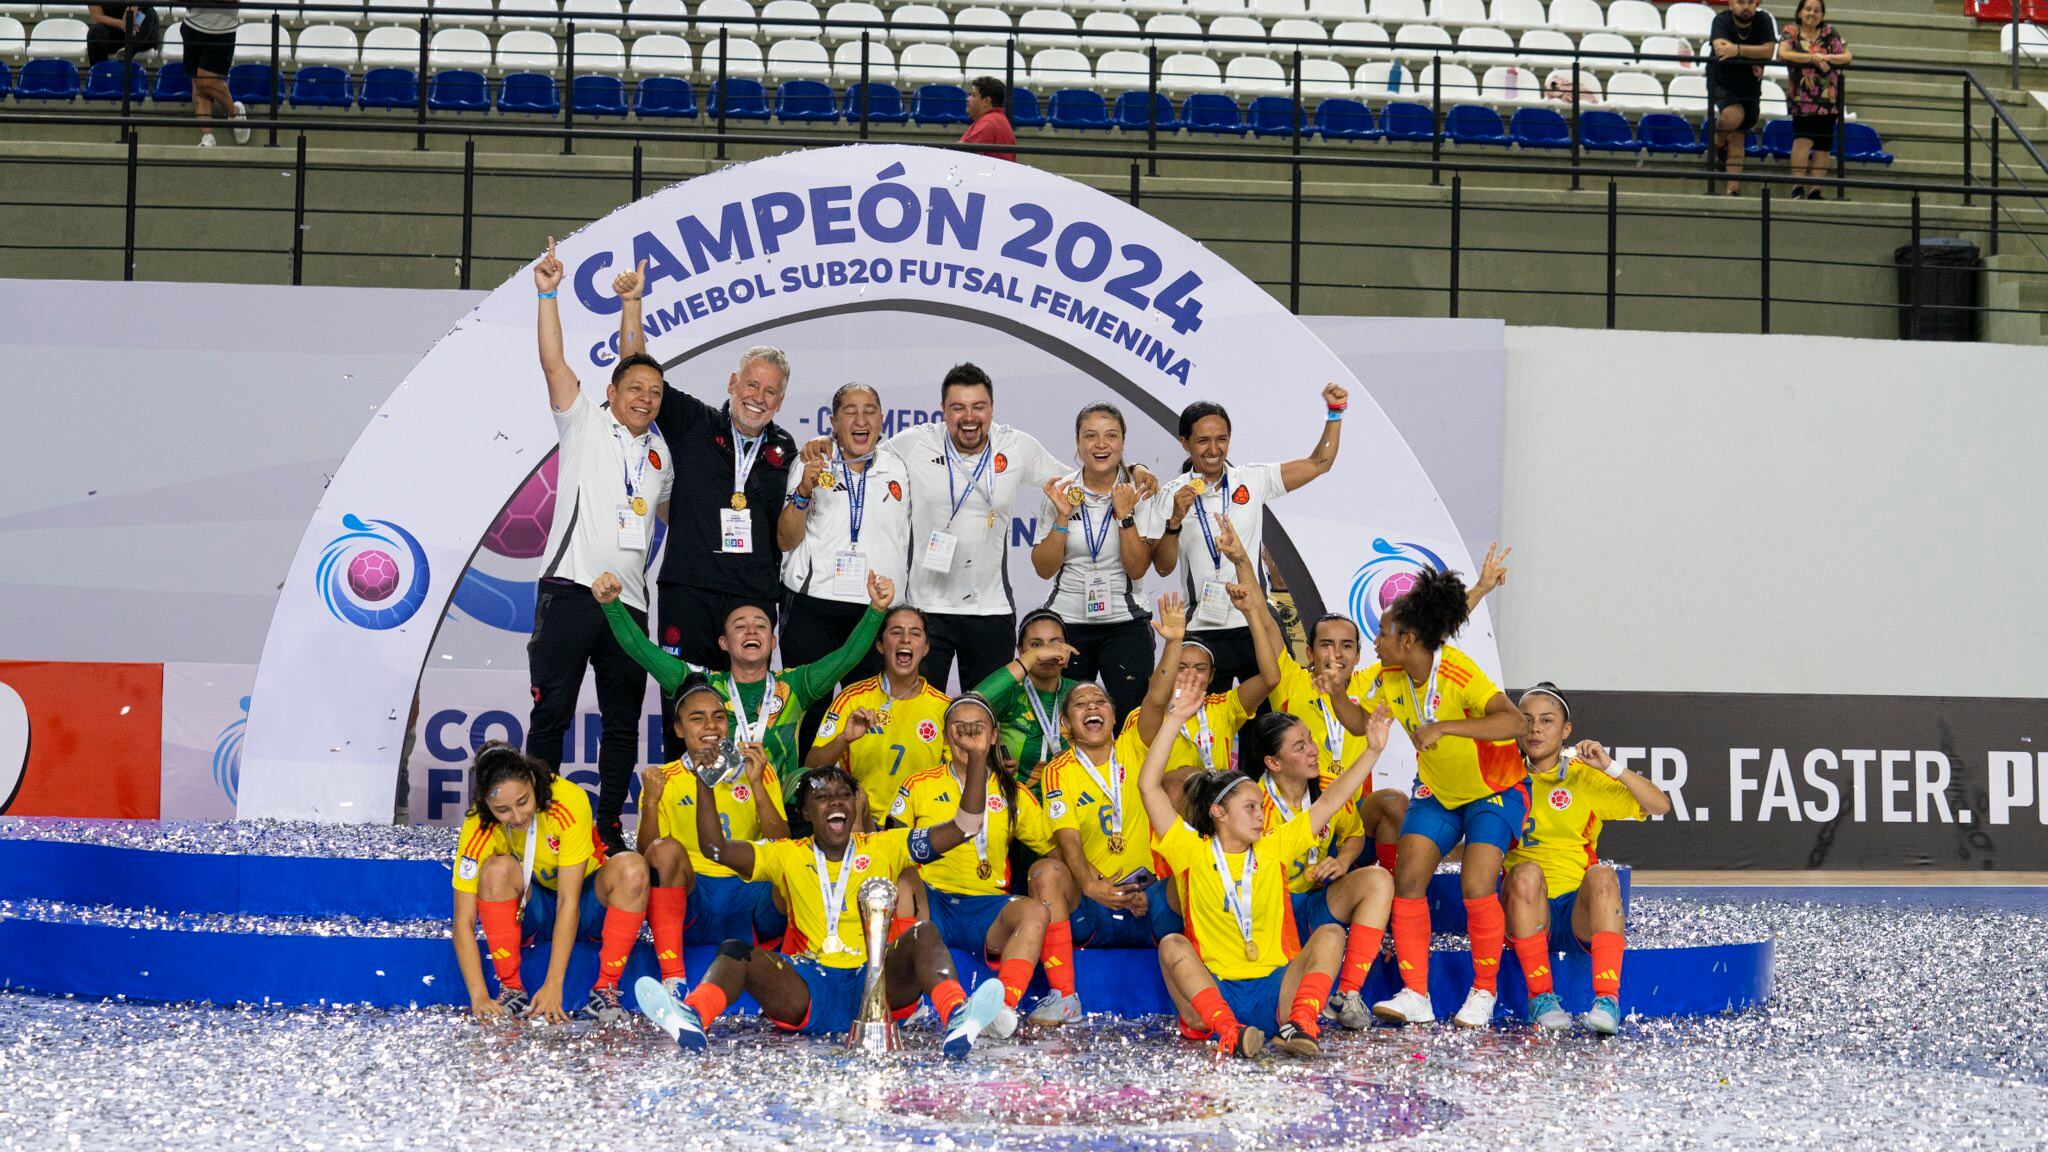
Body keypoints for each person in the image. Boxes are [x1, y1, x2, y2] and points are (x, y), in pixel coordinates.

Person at [635, 729, 1009, 1056]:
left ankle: (958, 1015)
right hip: (808, 986)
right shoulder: (785, 854)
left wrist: (978, 757)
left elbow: (966, 826)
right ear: (807, 813)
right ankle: (691, 1016)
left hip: (876, 981)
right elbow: (715, 848)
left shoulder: (885, 846)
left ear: (855, 805)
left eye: (844, 795)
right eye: (822, 797)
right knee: (735, 951)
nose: (835, 802)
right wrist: (704, 783)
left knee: (923, 934)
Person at [1142, 666, 1394, 1059]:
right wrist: (1175, 718)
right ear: (1219, 813)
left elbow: (1329, 802)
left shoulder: (1272, 847)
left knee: (1330, 935)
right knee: (1172, 944)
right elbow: (1147, 785)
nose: (1261, 815)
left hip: (1277, 989)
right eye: (1250, 808)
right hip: (1217, 989)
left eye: (1261, 807)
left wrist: (1374, 750)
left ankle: (1303, 1023)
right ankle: (1228, 1030)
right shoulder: (1188, 849)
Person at [857, 363, 1153, 696]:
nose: (969, 416)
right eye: (958, 408)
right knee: (921, 712)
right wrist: (824, 445)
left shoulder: (1015, 446)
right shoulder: (915, 443)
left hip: (991, 609)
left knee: (985, 717)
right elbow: (863, 455)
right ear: (943, 411)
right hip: (927, 608)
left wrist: (1135, 468)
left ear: (992, 409)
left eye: (978, 407)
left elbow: (1081, 475)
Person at [530, 239, 674, 854]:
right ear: (612, 395)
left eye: (655, 392)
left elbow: (637, 359)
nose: (644, 397)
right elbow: (554, 363)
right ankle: (535, 820)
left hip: (630, 607)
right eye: (633, 388)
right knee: (551, 717)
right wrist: (548, 293)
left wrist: (634, 307)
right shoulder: (583, 421)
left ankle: (608, 827)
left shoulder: (662, 454)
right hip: (570, 590)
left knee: (621, 727)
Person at [614, 263, 797, 696]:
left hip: (750, 598)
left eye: (770, 392)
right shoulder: (695, 421)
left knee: (748, 708)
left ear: (781, 400)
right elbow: (637, 370)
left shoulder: (785, 451)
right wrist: (632, 303)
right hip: (687, 590)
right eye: (752, 385)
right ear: (733, 383)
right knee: (684, 701)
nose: (758, 398)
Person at [1366, 569, 1532, 1029]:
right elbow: (1355, 718)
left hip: (1492, 791)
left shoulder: (1458, 671)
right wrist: (1336, 690)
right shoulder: (1390, 674)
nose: (1375, 640)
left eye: (1383, 632)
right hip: (1438, 793)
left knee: (1476, 883)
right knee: (1410, 875)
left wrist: (1445, 727)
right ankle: (1416, 993)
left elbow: (1516, 723)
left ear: (1409, 638)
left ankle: (1484, 992)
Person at [593, 569, 888, 806]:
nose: (751, 631)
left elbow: (848, 655)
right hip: (719, 804)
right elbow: (641, 649)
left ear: (772, 642)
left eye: (761, 625)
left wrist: (876, 609)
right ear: (724, 643)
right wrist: (611, 606)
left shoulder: (795, 685)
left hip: (780, 810)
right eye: (739, 626)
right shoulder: (702, 686)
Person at [1026, 633, 1193, 1024]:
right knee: (1045, 871)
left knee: (1199, 863)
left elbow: (1154, 698)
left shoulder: (1136, 748)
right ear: (1067, 725)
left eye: (1100, 701)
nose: (1092, 707)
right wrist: (1092, 885)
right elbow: (1066, 840)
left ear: (1115, 717)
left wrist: (1172, 642)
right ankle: (1064, 996)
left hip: (1149, 899)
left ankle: (1217, 984)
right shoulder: (1057, 771)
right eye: (1081, 704)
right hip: (1093, 903)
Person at [1138, 386, 1349, 692]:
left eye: (1221, 439)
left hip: (1257, 624)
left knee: (1273, 726)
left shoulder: (1252, 479)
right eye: (1203, 441)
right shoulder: (1171, 495)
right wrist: (1174, 521)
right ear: (1185, 443)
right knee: (1210, 732)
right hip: (1202, 632)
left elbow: (1320, 463)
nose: (1214, 449)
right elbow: (1162, 567)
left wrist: (1335, 412)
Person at [1502, 684, 1671, 1034]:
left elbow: (1659, 805)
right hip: (1526, 905)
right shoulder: (1499, 775)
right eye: (1527, 720)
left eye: (1547, 721)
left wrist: (1611, 767)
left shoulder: (1582, 776)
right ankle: (1541, 998)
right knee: (1526, 872)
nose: (1535, 729)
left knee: (1603, 874)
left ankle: (1607, 1001)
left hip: (1577, 909)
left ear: (1565, 732)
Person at [890, 694, 1058, 1036]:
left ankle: (1003, 1009)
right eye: (959, 727)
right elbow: (892, 846)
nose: (967, 734)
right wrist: (919, 894)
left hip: (986, 908)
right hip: (932, 902)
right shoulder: (919, 785)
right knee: (901, 880)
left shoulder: (1013, 793)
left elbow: (1053, 851)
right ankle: (911, 1003)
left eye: (977, 727)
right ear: (945, 735)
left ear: (994, 736)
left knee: (1034, 912)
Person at [449, 743, 651, 1024]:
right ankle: (511, 988)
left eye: (523, 801)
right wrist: (479, 995)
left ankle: (606, 988)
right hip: (535, 913)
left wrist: (554, 984)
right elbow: (462, 922)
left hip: (586, 904)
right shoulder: (478, 825)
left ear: (532, 780)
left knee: (633, 867)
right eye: (502, 809)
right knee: (496, 870)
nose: (518, 816)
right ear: (485, 803)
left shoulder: (567, 800)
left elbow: (569, 901)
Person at [634, 674, 790, 1002]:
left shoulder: (754, 768)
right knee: (665, 850)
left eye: (718, 717)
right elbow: (647, 859)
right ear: (678, 729)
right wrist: (650, 802)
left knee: (793, 862)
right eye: (697, 718)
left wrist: (758, 785)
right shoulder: (665, 779)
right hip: (694, 901)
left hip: (748, 900)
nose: (711, 725)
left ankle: (797, 961)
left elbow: (782, 845)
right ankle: (673, 979)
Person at [1238, 710, 1396, 1031]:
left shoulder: (1326, 785)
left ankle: (1348, 993)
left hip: (1316, 904)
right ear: (1274, 763)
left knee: (1379, 880)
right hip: (1273, 918)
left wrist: (1342, 861)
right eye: (1300, 746)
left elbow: (1353, 834)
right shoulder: (1255, 806)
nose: (1313, 749)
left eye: (1310, 739)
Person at [777, 383, 912, 695]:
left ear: (882, 420)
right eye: (850, 412)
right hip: (813, 606)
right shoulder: (810, 463)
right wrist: (802, 492)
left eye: (869, 411)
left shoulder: (900, 468)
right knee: (807, 714)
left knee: (869, 719)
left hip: (875, 611)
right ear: (834, 422)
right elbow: (785, 540)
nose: (861, 420)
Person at [1030, 402, 1155, 722]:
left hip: (1125, 623)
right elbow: (1043, 569)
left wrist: (1125, 515)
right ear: (1077, 443)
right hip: (1067, 624)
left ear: (1123, 443)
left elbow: (1139, 568)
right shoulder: (1061, 492)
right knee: (1062, 724)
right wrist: (1061, 517)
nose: (1101, 444)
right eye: (1091, 436)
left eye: (1110, 436)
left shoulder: (1139, 492)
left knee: (1130, 723)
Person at [1140, 520, 1278, 794]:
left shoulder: (1222, 707)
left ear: (1212, 677)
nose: (1191, 674)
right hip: (1170, 814)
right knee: (1182, 779)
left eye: (1199, 668)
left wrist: (1250, 613)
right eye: (1182, 667)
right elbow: (1157, 695)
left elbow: (1270, 678)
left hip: (1220, 809)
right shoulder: (1151, 712)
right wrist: (1173, 643)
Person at [808, 605, 953, 815]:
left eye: (915, 633)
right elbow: (812, 769)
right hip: (862, 822)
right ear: (880, 645)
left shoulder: (944, 707)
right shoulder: (852, 698)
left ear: (926, 647)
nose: (905, 639)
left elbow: (961, 779)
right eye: (896, 632)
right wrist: (843, 739)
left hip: (919, 824)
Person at [972, 609, 1081, 792]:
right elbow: (971, 705)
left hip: (1073, 803)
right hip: (1017, 804)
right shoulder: (1011, 691)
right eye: (1036, 645)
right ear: (1021, 650)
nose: (1047, 652)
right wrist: (1031, 658)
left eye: (1055, 644)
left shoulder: (1079, 693)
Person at [1705, 0, 1781, 196]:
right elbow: (1721, 49)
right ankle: (1719, 141)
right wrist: (1753, 58)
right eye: (1740, 2)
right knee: (1733, 116)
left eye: (1750, 2)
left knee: (1739, 135)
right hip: (1722, 80)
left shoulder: (1763, 20)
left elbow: (1769, 51)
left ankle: (1732, 190)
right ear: (1730, 4)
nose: (1745, 6)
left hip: (1749, 84)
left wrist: (1738, 50)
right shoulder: (1720, 20)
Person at [1778, 0, 1851, 200]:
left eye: (1817, 10)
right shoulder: (1790, 31)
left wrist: (1825, 58)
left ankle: (1816, 190)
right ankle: (1797, 187)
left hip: (1829, 97)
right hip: (1801, 97)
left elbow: (1847, 57)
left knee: (1823, 145)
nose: (1812, 13)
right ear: (1800, 12)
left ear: (1823, 15)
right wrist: (1814, 58)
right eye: (1808, 9)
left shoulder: (1830, 33)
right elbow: (1783, 54)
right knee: (1802, 139)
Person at [179, 0, 246, 148]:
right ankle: (207, 136)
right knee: (198, 84)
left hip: (222, 32)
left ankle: (235, 112)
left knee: (206, 80)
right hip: (192, 27)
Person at [960, 75, 1017, 163]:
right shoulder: (996, 119)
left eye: (973, 95)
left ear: (986, 101)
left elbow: (959, 157)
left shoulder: (988, 122)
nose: (967, 99)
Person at [86, 2, 158, 67]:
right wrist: (121, 24)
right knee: (95, 31)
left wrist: (134, 5)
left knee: (150, 12)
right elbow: (96, 16)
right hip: (112, 35)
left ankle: (127, 52)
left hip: (139, 33)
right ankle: (99, 74)